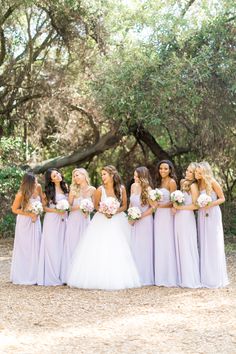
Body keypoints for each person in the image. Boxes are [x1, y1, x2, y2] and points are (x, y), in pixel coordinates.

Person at [67, 165, 140, 290]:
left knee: (118, 247)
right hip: (101, 220)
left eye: (104, 174)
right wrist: (105, 210)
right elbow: (95, 206)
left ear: (112, 175)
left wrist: (114, 211)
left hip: (117, 220)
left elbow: (124, 206)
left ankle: (118, 277)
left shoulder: (121, 188)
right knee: (100, 247)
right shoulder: (100, 189)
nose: (102, 177)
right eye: (101, 174)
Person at [195, 161, 229, 288]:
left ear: (204, 172)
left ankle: (215, 276)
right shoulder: (198, 184)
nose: (197, 174)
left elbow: (222, 198)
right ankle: (205, 275)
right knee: (203, 241)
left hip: (213, 214)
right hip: (202, 215)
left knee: (213, 242)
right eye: (196, 172)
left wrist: (210, 204)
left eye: (199, 172)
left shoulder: (212, 182)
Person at [61, 168, 95, 283]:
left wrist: (88, 209)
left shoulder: (92, 190)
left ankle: (83, 276)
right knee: (72, 245)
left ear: (84, 175)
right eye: (74, 176)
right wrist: (81, 206)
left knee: (84, 246)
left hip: (85, 221)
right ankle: (69, 276)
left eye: (77, 175)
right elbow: (68, 207)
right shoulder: (73, 190)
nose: (75, 178)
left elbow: (95, 206)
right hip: (74, 220)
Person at [37, 168, 69, 286]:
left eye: (58, 173)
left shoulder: (66, 186)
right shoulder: (48, 190)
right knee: (52, 247)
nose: (58, 176)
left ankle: (62, 274)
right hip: (51, 220)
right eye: (55, 175)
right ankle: (51, 276)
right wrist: (56, 210)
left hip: (64, 220)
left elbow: (70, 203)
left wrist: (65, 209)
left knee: (62, 246)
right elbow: (44, 207)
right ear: (51, 179)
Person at [11, 172, 42, 285]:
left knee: (36, 245)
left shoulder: (38, 188)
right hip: (24, 221)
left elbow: (42, 204)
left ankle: (36, 274)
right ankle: (23, 274)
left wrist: (37, 212)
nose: (37, 183)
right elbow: (14, 209)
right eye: (35, 181)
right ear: (29, 183)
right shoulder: (21, 194)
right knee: (25, 247)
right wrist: (30, 214)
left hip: (36, 220)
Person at [173, 163, 201, 288]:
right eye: (187, 170)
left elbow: (196, 206)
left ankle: (190, 279)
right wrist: (175, 204)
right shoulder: (183, 182)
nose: (187, 173)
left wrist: (181, 207)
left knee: (186, 245)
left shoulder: (194, 186)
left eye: (191, 171)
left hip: (187, 217)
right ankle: (181, 277)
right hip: (178, 217)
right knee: (179, 245)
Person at [153, 160, 178, 287]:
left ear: (170, 170)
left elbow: (174, 201)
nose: (162, 171)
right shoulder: (159, 182)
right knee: (159, 242)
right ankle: (160, 275)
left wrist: (160, 205)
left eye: (165, 169)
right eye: (161, 168)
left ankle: (169, 276)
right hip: (158, 215)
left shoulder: (172, 182)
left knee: (167, 241)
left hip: (167, 215)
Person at [129, 166, 154, 286]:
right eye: (134, 175)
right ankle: (134, 275)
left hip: (145, 221)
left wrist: (140, 216)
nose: (135, 178)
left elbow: (153, 207)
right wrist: (130, 216)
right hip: (134, 221)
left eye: (137, 176)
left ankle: (145, 276)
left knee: (144, 247)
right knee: (134, 246)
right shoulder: (133, 186)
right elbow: (131, 203)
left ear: (142, 177)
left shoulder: (148, 189)